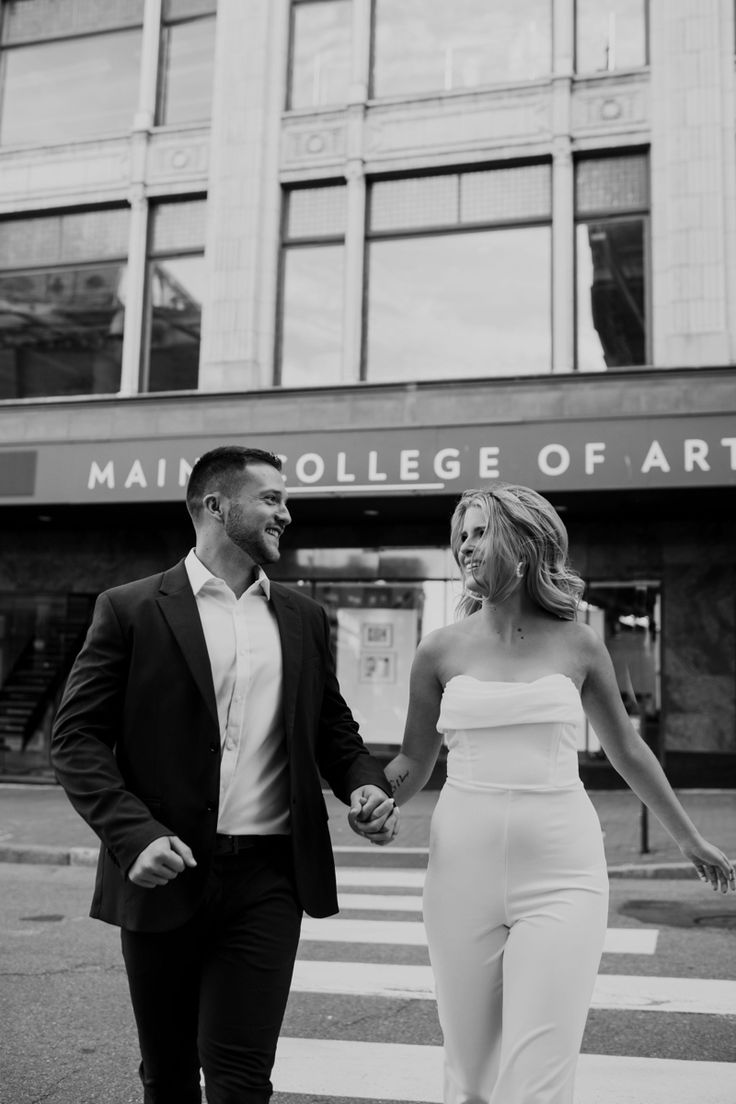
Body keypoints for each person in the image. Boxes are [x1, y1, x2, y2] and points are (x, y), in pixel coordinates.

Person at [50, 445, 398, 1104]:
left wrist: (366, 785)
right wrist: (134, 835)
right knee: (170, 1077)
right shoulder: (130, 609)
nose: (286, 515)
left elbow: (334, 733)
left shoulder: (302, 617)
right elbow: (76, 738)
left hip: (267, 879)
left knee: (241, 1080)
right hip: (164, 873)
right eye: (272, 499)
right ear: (217, 505)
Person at [383, 484, 735, 1104]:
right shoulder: (438, 648)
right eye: (460, 534)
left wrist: (690, 837)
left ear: (523, 543)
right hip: (460, 872)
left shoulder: (580, 643)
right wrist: (372, 796)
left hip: (562, 871)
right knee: (470, 1074)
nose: (465, 546)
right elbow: (414, 760)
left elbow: (626, 750)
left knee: (540, 1074)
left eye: (480, 531)